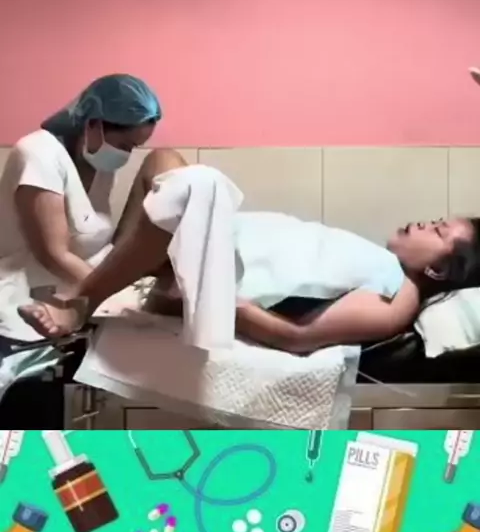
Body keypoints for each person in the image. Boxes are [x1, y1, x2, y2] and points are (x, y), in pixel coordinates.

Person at [17, 158, 480, 353]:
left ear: (438, 268)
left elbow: (298, 338)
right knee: (164, 161)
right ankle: (113, 271)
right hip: (214, 246)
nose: (424, 223)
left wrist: (220, 304)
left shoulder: (398, 299)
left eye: (438, 230)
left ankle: (80, 303)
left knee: (197, 183)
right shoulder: (383, 264)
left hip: (217, 274)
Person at [0, 73, 186, 344]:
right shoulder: (37, 153)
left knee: (165, 159)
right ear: (93, 124)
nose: (126, 155)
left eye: (133, 148)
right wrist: (112, 290)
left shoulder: (98, 161)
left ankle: (186, 283)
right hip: (41, 283)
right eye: (124, 146)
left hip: (98, 268)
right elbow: (53, 255)